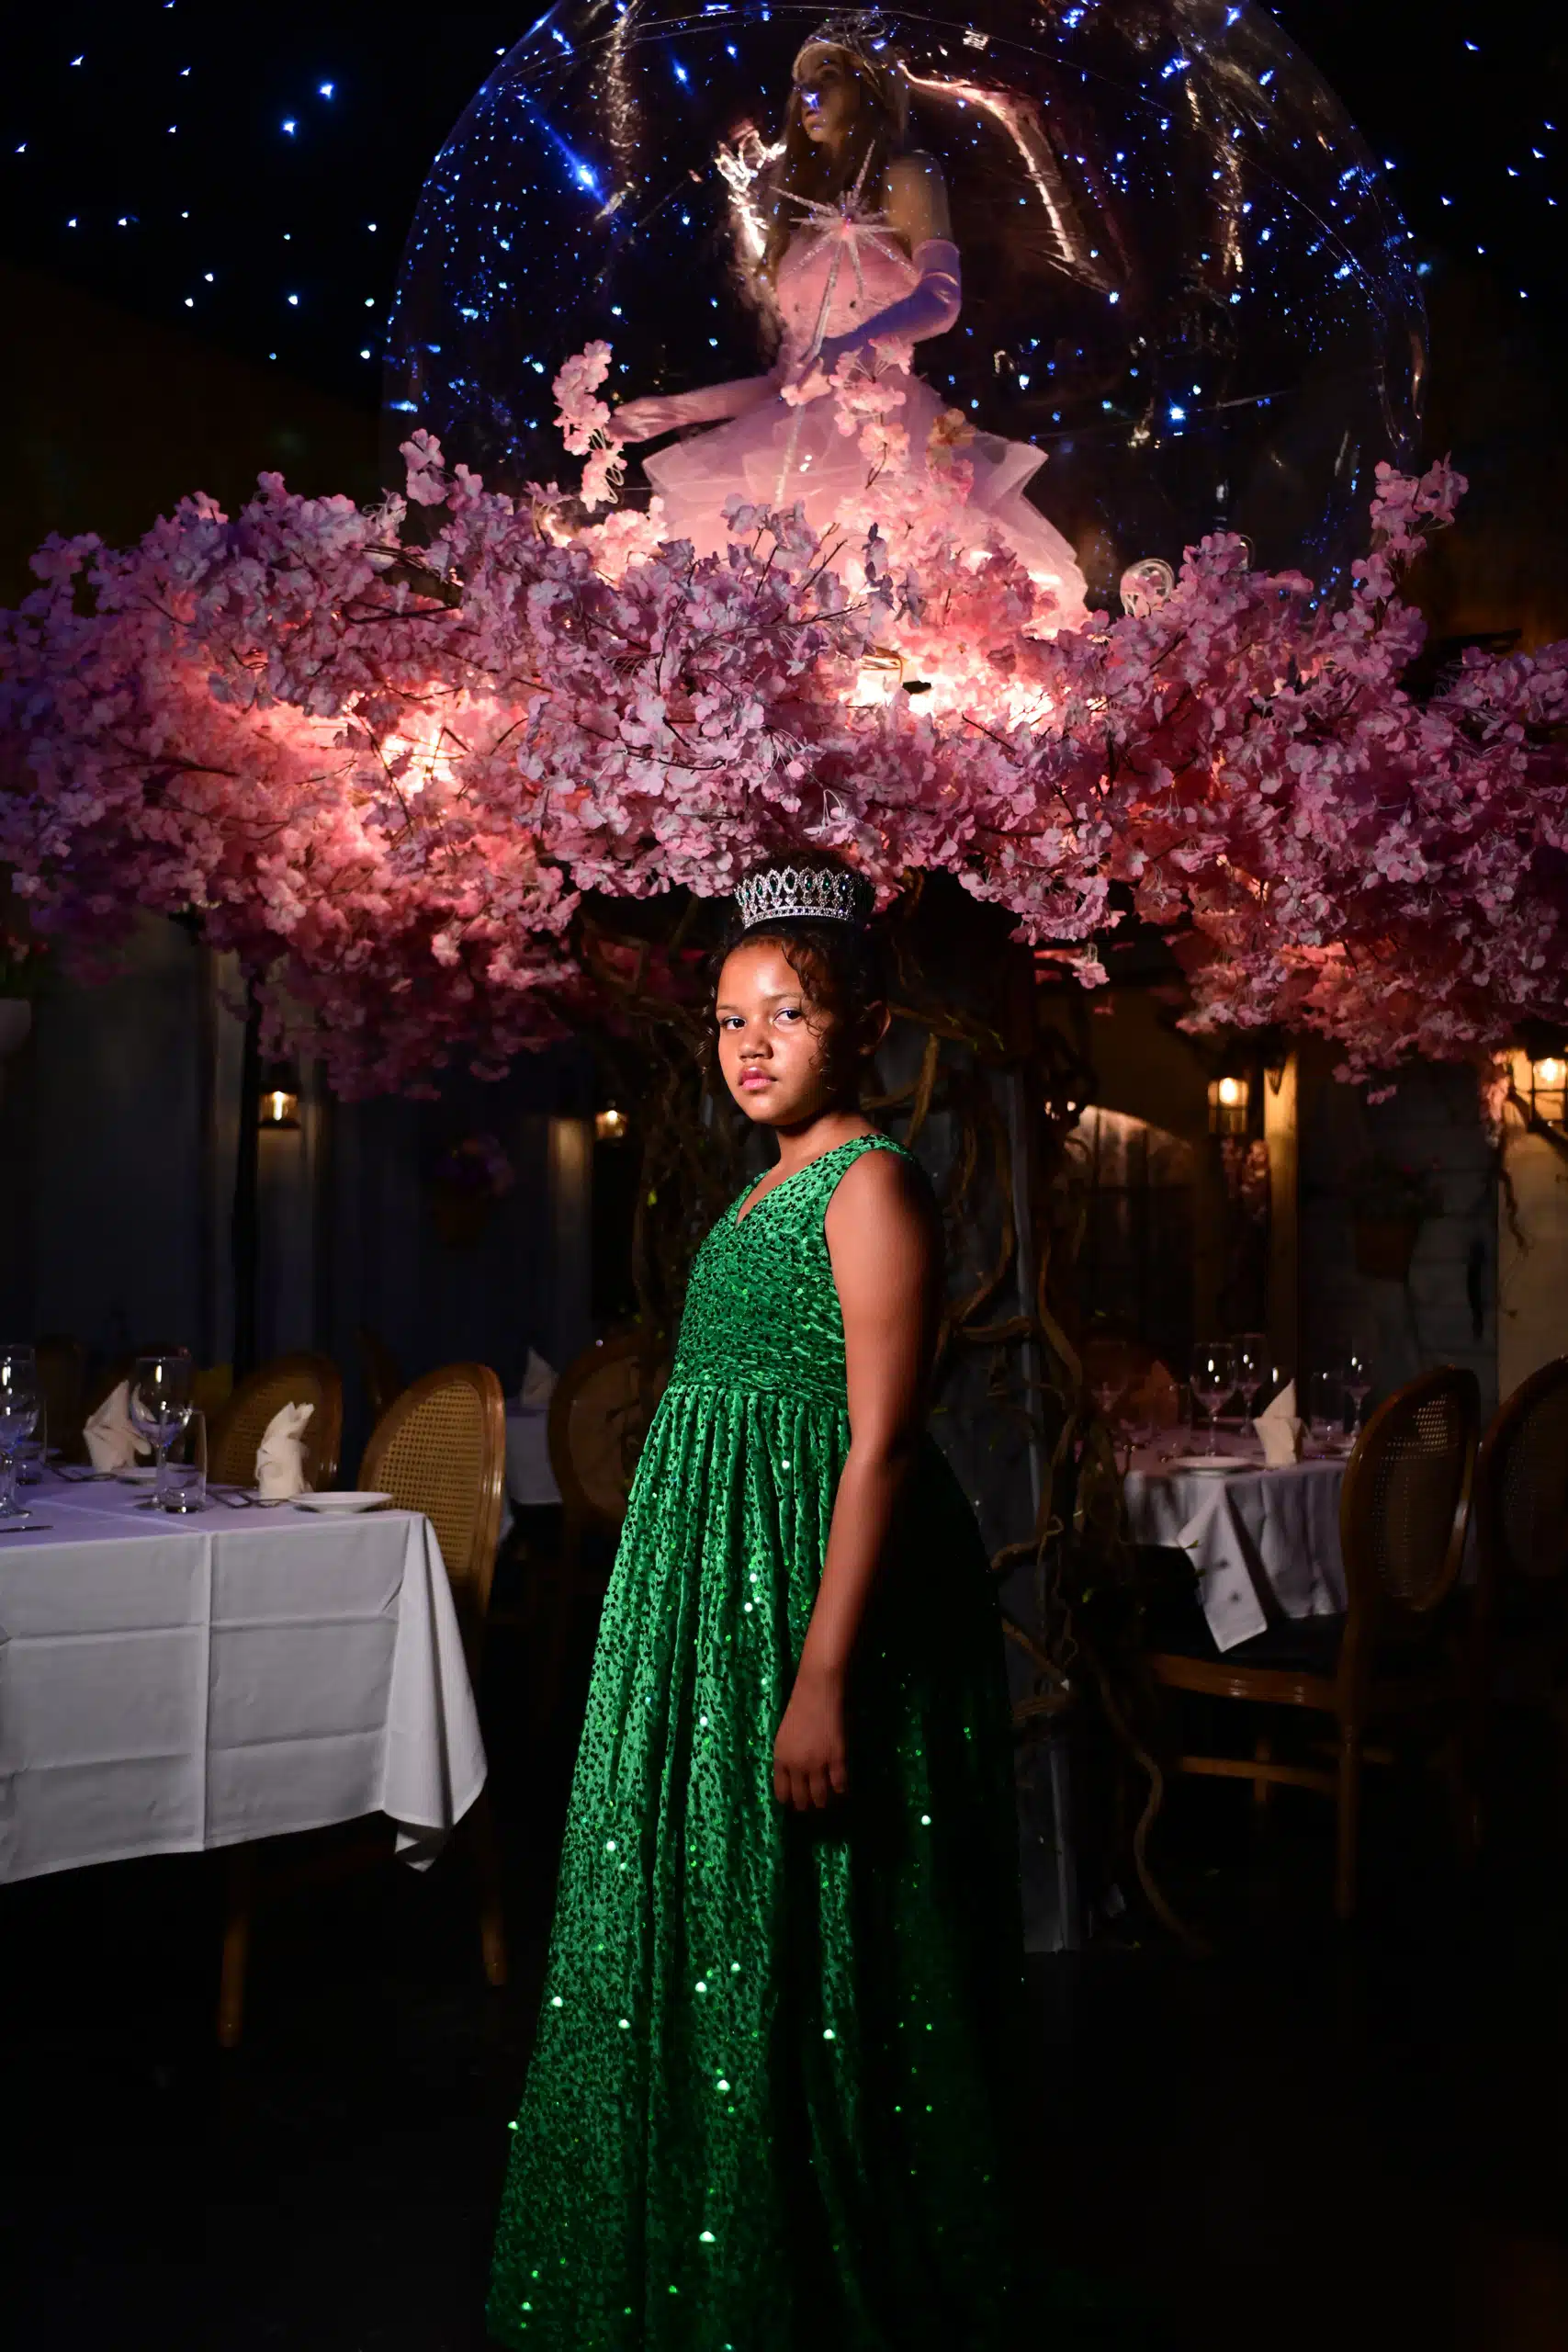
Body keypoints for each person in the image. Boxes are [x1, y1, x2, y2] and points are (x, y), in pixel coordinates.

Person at [487, 852, 1025, 2348]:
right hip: (705, 1594)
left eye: (786, 1014)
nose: (749, 1045)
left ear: (862, 1029)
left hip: (797, 1594)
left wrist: (822, 1674)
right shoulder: (754, 1193)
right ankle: (705, 2215)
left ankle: (794, 2233)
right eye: (730, 1019)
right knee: (713, 1898)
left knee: (800, 1904)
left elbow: (881, 1443)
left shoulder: (870, 1185)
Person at [612, 33, 1087, 620]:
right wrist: (677, 410)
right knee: (771, 608)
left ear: (869, 84)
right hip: (792, 444)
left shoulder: (907, 174)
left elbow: (941, 298)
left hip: (882, 435)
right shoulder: (799, 213)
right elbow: (786, 382)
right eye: (801, 85)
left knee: (892, 603)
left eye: (828, 76)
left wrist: (850, 348)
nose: (808, 96)